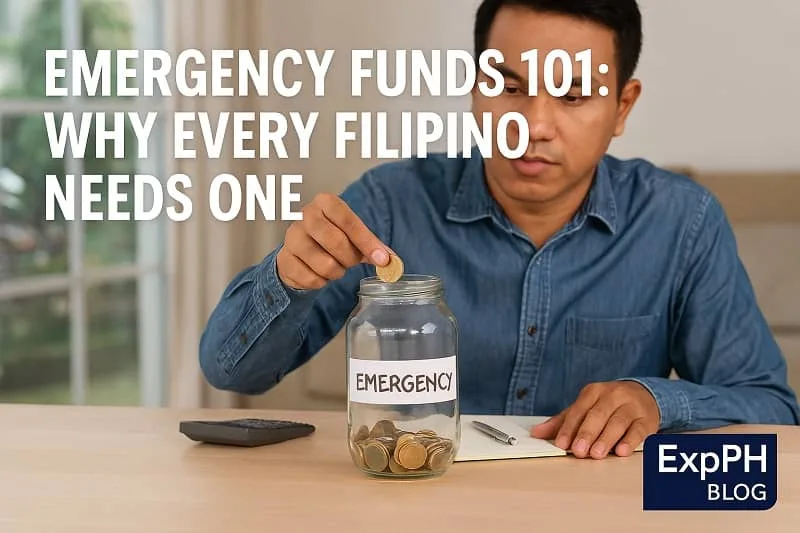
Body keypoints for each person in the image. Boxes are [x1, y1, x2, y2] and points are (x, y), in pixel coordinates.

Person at [198, 0, 800, 459]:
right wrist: (287, 276)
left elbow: (772, 408)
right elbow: (231, 373)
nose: (534, 125)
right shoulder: (392, 202)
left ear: (622, 107)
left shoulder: (682, 222)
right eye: (510, 87)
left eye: (571, 96)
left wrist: (657, 401)